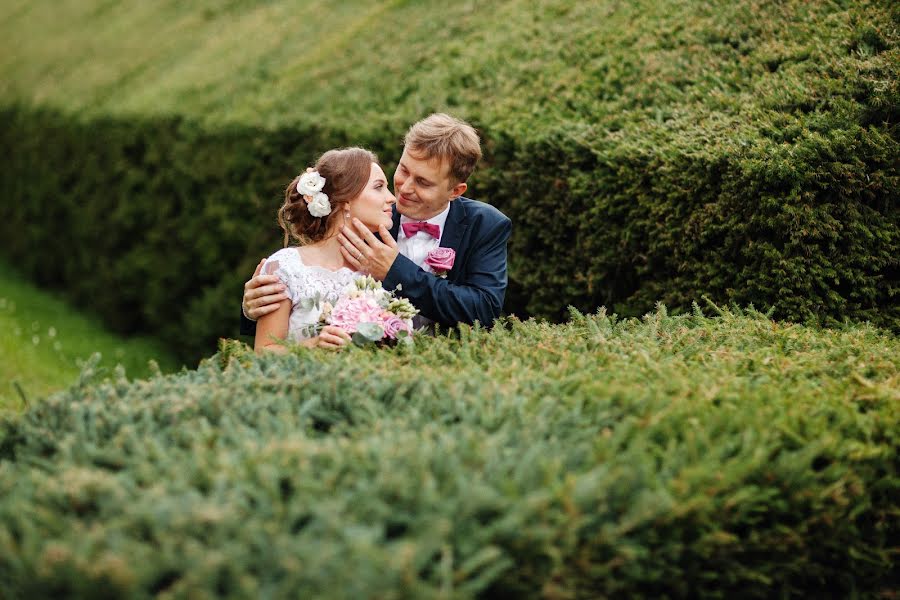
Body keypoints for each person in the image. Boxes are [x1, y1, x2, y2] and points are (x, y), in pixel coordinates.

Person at [242, 113, 512, 334]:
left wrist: (396, 269)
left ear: (456, 191)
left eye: (423, 182)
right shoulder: (370, 214)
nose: (403, 189)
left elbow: (484, 311)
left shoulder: (485, 225)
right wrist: (254, 310)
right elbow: (311, 284)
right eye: (404, 170)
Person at [254, 147, 396, 353]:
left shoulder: (383, 269)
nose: (391, 197)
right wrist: (313, 346)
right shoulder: (285, 267)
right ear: (346, 201)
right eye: (379, 187)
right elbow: (262, 351)